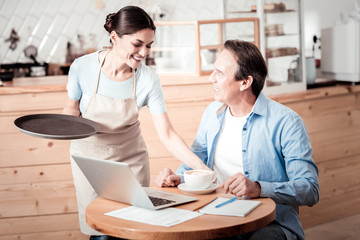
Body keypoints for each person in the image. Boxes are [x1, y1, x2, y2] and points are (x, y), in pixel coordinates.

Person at [62, 6, 210, 240]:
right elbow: (72, 109)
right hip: (90, 164)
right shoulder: (82, 68)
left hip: (130, 163)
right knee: (101, 233)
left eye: (149, 46)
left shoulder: (148, 80)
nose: (144, 53)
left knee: (134, 231)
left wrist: (201, 168)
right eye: (137, 44)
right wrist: (58, 128)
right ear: (114, 38)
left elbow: (168, 134)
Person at [156, 40, 319, 240]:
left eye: (219, 73)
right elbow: (196, 159)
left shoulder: (286, 122)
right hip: (215, 214)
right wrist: (179, 177)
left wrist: (258, 188)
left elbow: (310, 189)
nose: (211, 79)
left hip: (270, 223)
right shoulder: (211, 114)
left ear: (245, 82)